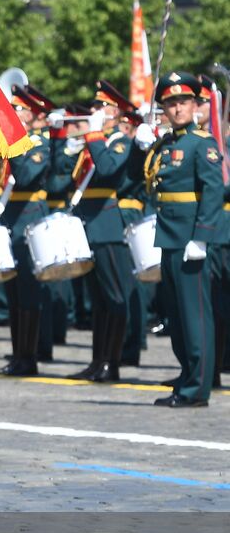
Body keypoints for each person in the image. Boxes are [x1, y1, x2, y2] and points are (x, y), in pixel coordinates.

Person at [143, 71, 223, 407]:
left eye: (183, 102)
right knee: (176, 315)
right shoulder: (167, 144)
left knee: (195, 317)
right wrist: (144, 145)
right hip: (170, 237)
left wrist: (201, 238)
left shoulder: (201, 144)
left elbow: (213, 191)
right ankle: (187, 377)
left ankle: (197, 389)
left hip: (191, 237)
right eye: (170, 103)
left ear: (195, 105)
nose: (177, 109)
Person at [67, 82, 138, 382]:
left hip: (109, 224)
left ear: (114, 112)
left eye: (100, 107)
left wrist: (93, 135)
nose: (94, 111)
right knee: (98, 300)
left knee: (115, 297)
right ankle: (98, 360)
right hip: (90, 222)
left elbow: (109, 169)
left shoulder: (120, 140)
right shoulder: (98, 141)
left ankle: (113, 362)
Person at [0, 87, 50, 376]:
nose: (12, 115)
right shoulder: (20, 143)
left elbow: (27, 177)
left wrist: (14, 142)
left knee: (28, 292)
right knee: (14, 293)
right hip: (13, 219)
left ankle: (29, 356)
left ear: (31, 114)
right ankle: (18, 354)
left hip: (29, 220)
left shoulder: (39, 143)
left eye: (17, 110)